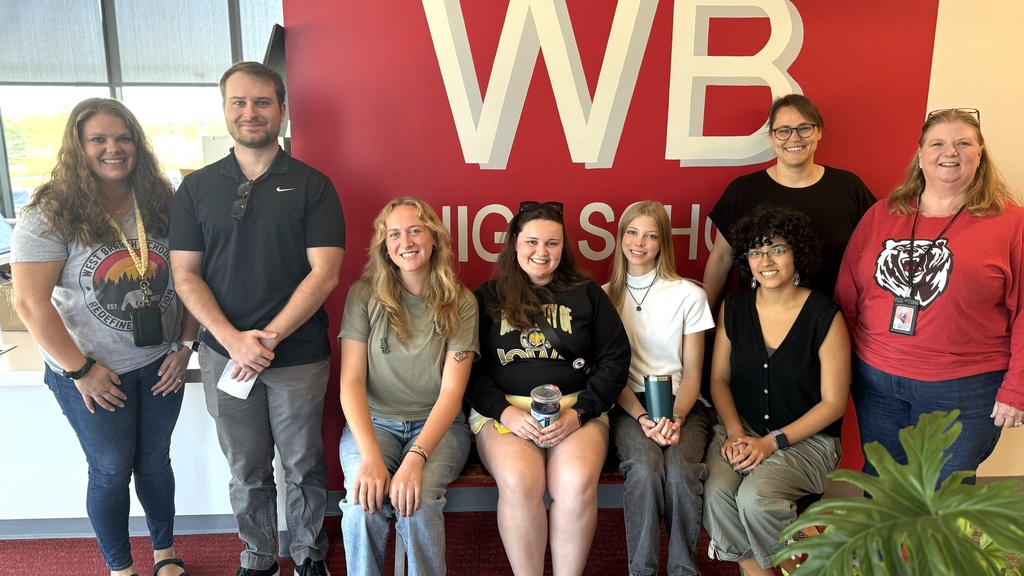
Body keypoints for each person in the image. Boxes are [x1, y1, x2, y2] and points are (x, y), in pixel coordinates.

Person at [169, 62, 345, 576]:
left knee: (303, 464)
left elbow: (325, 273)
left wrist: (264, 339)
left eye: (262, 102)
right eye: (239, 103)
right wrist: (232, 340)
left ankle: (310, 553)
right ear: (225, 111)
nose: (250, 112)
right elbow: (185, 275)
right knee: (245, 469)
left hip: (298, 356)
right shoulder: (195, 189)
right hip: (226, 357)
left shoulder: (314, 186)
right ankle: (259, 556)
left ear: (282, 111)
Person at [11, 98, 198, 576]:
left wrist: (184, 345)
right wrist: (81, 371)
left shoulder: (163, 200)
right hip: (92, 371)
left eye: (123, 137)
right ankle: (120, 567)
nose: (113, 148)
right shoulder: (50, 211)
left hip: (160, 363)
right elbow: (30, 303)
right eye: (98, 139)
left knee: (155, 463)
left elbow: (196, 277)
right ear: (78, 146)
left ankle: (164, 554)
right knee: (112, 470)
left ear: (138, 144)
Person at [835, 108, 1024, 484]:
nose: (948, 151)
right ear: (920, 155)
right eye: (937, 143)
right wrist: (843, 369)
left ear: (980, 154)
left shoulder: (1011, 223)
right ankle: (882, 548)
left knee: (944, 499)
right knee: (883, 487)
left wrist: (1016, 387)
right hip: (877, 381)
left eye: (963, 143)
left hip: (966, 387)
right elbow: (848, 294)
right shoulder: (882, 214)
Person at [465, 200, 630, 576]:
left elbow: (615, 359)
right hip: (504, 414)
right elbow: (468, 370)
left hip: (576, 411)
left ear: (563, 246)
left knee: (574, 483)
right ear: (515, 243)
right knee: (521, 483)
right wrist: (503, 411)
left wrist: (580, 413)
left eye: (552, 243)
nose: (542, 252)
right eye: (532, 242)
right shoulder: (485, 297)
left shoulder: (588, 294)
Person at [703, 206, 850, 576]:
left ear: (796, 254)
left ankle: (808, 560)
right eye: (755, 252)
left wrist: (771, 443)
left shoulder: (824, 315)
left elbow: (834, 403)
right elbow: (718, 379)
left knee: (755, 499)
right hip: (742, 428)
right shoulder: (733, 307)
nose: (765, 260)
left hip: (808, 442)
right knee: (718, 494)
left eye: (777, 249)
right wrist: (736, 432)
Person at [338, 197, 478, 575]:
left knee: (417, 501)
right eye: (394, 234)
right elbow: (350, 381)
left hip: (439, 428)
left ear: (434, 238)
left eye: (415, 230)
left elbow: (452, 393)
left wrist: (416, 458)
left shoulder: (461, 303)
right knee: (361, 501)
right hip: (374, 425)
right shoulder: (363, 295)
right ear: (385, 245)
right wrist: (369, 457)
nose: (406, 241)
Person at [603, 201, 715, 576]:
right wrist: (642, 417)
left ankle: (684, 569)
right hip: (629, 407)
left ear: (663, 242)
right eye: (632, 233)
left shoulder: (689, 295)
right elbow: (609, 372)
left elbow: (695, 372)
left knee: (682, 471)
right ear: (620, 239)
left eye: (651, 235)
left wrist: (676, 417)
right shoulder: (603, 297)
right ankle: (643, 570)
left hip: (685, 405)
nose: (640, 242)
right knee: (646, 469)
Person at [703, 93, 876, 310]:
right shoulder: (743, 191)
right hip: (757, 324)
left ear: (819, 132)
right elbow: (721, 258)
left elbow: (872, 256)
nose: (794, 138)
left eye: (804, 128)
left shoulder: (849, 187)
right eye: (783, 131)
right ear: (772, 137)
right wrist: (703, 318)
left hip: (832, 323)